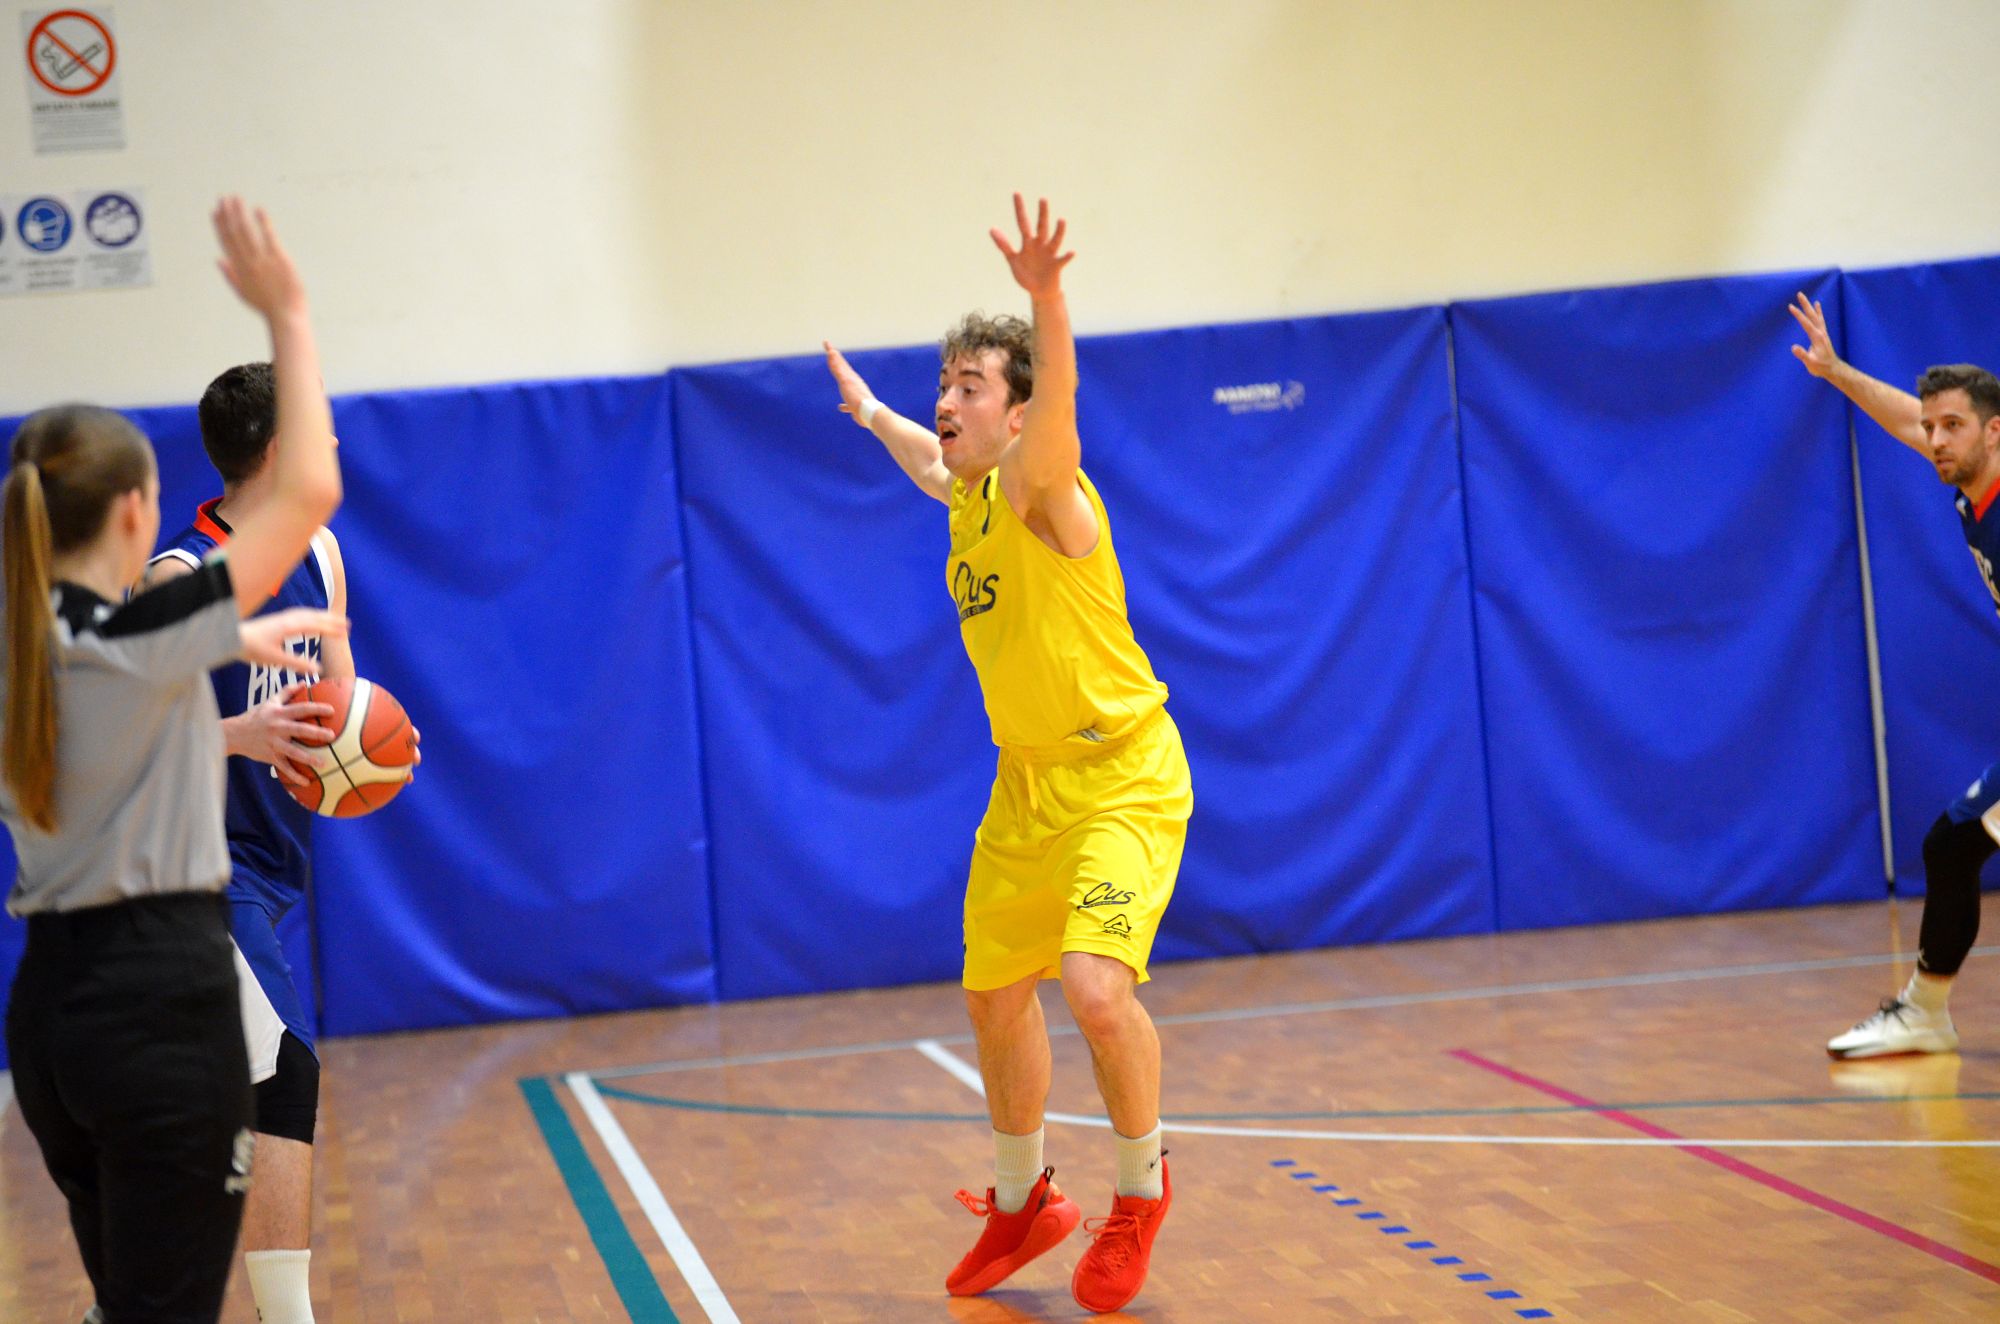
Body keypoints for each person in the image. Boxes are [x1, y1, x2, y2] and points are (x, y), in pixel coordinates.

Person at [823, 195, 1193, 1314]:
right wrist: (872, 411)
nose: (946, 402)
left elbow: (1060, 404)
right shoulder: (970, 495)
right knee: (992, 995)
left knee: (1092, 987)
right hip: (1026, 785)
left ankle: (1140, 1192)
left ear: (1018, 413)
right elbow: (922, 463)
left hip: (1120, 776)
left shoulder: (1041, 487)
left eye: (968, 387)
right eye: (943, 384)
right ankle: (1025, 1197)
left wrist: (1047, 298)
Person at [2, 197, 344, 1324]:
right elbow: (310, 489)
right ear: (136, 510)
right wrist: (288, 312)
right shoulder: (148, 630)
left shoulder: (27, 654)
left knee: (129, 1303)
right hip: (155, 1003)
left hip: (48, 1013)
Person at [140, 356, 413, 1323]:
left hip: (265, 869)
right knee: (285, 1073)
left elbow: (343, 704)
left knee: (209, 1111)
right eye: (317, 426)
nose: (333, 440)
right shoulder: (179, 577)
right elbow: (115, 737)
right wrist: (238, 734)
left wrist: (373, 750)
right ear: (276, 449)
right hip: (185, 872)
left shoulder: (321, 551)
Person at [1789, 291, 2000, 1058]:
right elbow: (1906, 420)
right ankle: (1925, 1012)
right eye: (1933, 426)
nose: (1935, 439)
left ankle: (1924, 1012)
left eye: (1953, 427)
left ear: (1995, 430)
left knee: (1952, 845)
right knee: (1953, 846)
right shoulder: (1972, 481)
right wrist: (1836, 372)